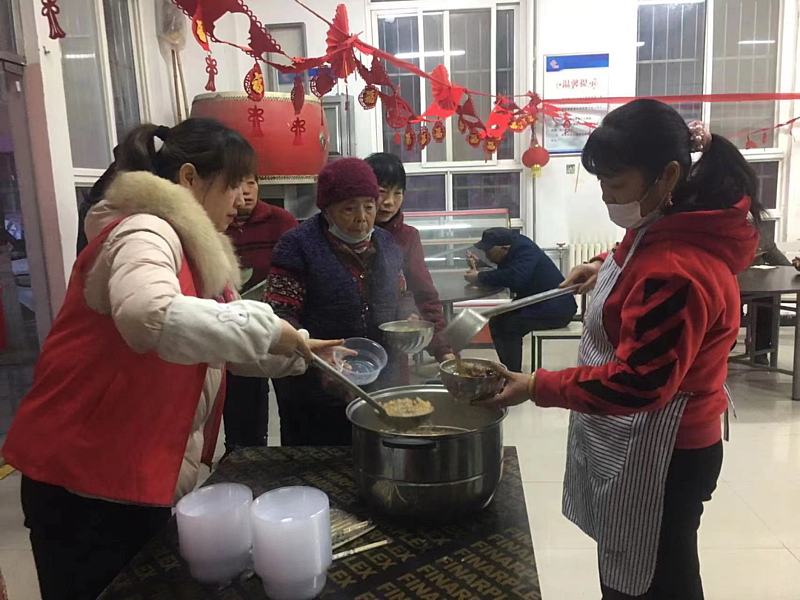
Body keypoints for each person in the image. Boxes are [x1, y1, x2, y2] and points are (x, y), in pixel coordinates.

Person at [1, 119, 341, 600]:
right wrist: (268, 328)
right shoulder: (145, 231)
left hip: (132, 472)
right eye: (232, 185)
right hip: (83, 478)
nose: (241, 200)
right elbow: (148, 314)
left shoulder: (196, 252)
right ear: (189, 178)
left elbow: (216, 342)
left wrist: (301, 350)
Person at [480, 101, 762, 600]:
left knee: (655, 580)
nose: (607, 195)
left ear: (668, 175)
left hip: (666, 450)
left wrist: (536, 385)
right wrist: (602, 264)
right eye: (602, 181)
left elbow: (639, 382)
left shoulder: (676, 270)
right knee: (643, 564)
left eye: (616, 182)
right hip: (652, 438)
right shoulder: (674, 218)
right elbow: (637, 246)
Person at [265, 158, 415, 446]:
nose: (362, 218)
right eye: (349, 208)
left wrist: (408, 317)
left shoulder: (386, 244)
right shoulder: (296, 246)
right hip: (314, 390)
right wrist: (314, 356)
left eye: (369, 207)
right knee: (318, 461)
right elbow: (280, 313)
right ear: (327, 209)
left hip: (378, 383)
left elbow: (402, 292)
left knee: (373, 455)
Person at [223, 173, 298, 453]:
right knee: (243, 409)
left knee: (292, 403)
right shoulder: (216, 223)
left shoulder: (281, 221)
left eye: (251, 183)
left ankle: (291, 457)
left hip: (282, 324)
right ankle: (244, 458)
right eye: (236, 183)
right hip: (236, 328)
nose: (245, 191)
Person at [365, 152, 455, 363]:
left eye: (398, 193)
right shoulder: (347, 235)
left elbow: (424, 294)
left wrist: (443, 350)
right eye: (382, 192)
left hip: (394, 350)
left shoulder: (408, 236)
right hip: (348, 348)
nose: (389, 202)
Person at [465, 227, 577, 372]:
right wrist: (480, 265)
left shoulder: (525, 250)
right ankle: (508, 371)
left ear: (504, 248)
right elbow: (506, 273)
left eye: (488, 252)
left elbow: (515, 278)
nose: (487, 255)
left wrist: (479, 277)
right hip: (537, 302)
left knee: (510, 325)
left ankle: (513, 375)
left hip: (556, 308)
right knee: (496, 321)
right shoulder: (514, 247)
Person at [750, 222, 791, 365]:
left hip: (756, 286)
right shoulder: (719, 233)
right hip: (726, 285)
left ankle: (761, 351)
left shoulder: (760, 235)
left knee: (767, 300)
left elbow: (782, 263)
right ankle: (724, 348)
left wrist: (795, 267)